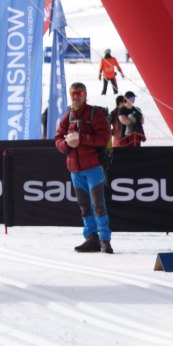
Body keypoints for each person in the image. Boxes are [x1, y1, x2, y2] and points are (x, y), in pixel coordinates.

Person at [54, 82, 114, 254]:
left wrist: (81, 139)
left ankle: (105, 240)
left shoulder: (95, 114)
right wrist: (66, 144)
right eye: (73, 93)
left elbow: (104, 138)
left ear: (85, 95)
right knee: (84, 206)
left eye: (79, 93)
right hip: (75, 170)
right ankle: (91, 238)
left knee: (98, 205)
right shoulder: (67, 116)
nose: (76, 96)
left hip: (94, 167)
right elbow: (57, 139)